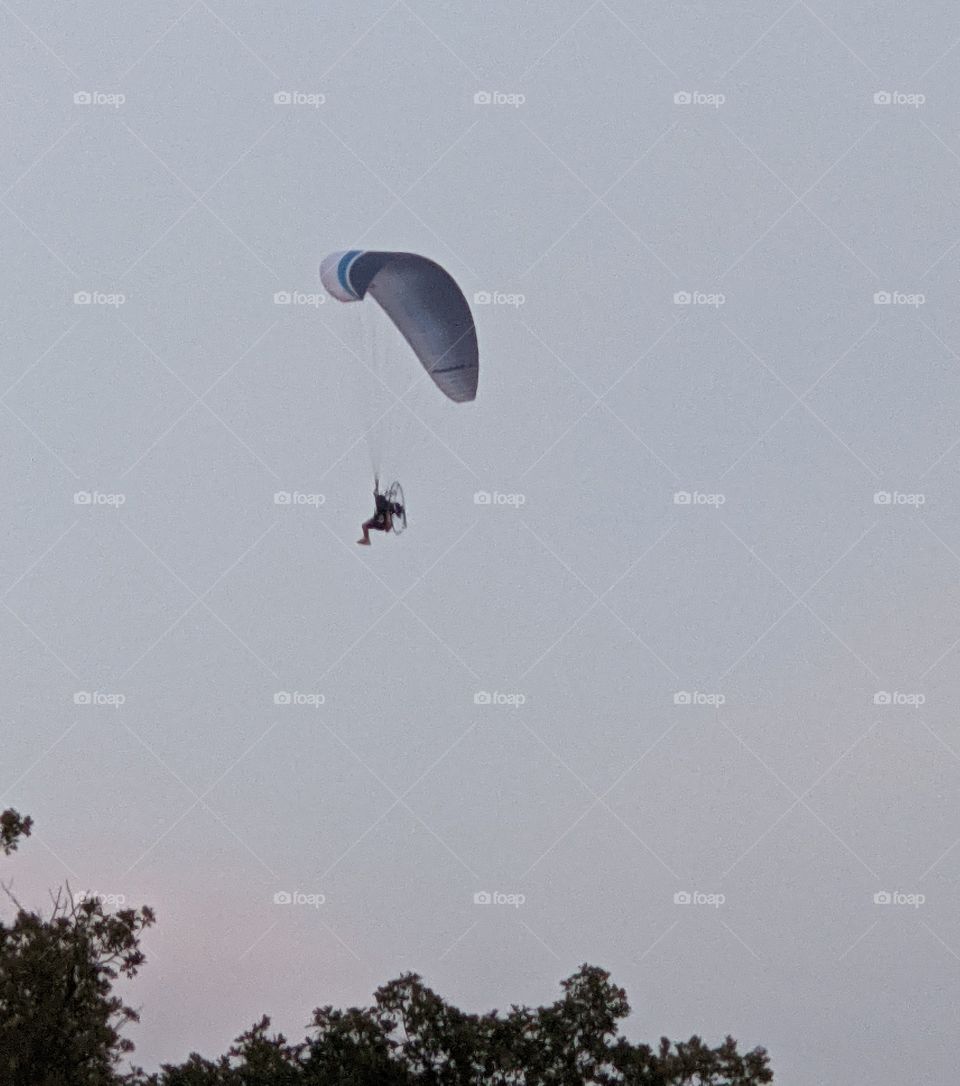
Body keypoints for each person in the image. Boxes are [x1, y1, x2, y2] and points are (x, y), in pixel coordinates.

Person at [357, 479, 403, 545]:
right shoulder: (382, 505)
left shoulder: (385, 507)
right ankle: (366, 539)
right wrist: (377, 483)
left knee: (365, 525)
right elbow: (376, 493)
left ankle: (366, 539)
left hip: (382, 521)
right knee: (365, 525)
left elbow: (387, 527)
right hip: (381, 519)